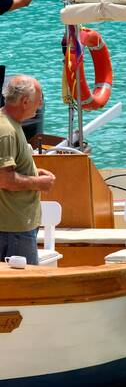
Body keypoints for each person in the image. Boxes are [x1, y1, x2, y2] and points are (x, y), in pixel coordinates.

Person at [0, 75, 55, 265]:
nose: (40, 105)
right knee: (26, 287)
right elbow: (4, 179)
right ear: (25, 101)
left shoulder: (11, 125)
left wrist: (32, 171)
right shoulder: (6, 130)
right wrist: (38, 183)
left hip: (16, 227)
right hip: (13, 230)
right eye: (39, 99)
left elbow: (8, 168)